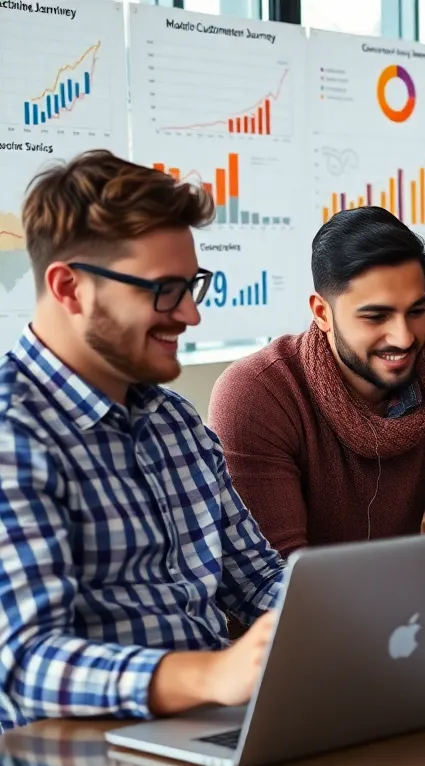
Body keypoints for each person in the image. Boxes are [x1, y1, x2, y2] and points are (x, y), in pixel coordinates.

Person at [0, 150, 282, 730]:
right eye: (163, 290)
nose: (190, 315)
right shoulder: (13, 431)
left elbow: (258, 581)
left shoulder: (173, 420)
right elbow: (25, 664)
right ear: (69, 287)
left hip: (201, 739)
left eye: (192, 286)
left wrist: (362, 625)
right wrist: (209, 675)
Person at [210, 206, 425, 557]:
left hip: (403, 602)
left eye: (416, 311)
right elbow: (277, 578)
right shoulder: (256, 394)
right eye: (376, 316)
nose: (403, 337)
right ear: (322, 313)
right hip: (301, 609)